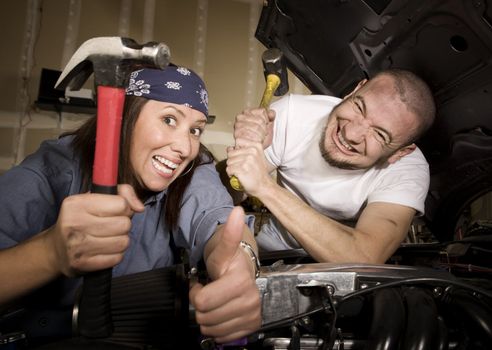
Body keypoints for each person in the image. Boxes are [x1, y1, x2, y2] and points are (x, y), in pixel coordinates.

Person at [0, 66, 261, 343]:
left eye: (196, 130)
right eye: (170, 119)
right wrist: (50, 252)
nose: (185, 148)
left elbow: (216, 219)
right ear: (124, 117)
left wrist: (240, 264)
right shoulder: (54, 168)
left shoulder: (193, 171)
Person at [223, 68, 436, 264]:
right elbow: (227, 193)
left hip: (345, 270)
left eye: (379, 134)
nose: (350, 134)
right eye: (359, 107)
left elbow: (364, 256)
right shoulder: (292, 114)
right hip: (275, 249)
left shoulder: (409, 170)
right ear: (355, 89)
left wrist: (264, 186)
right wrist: (245, 152)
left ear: (400, 152)